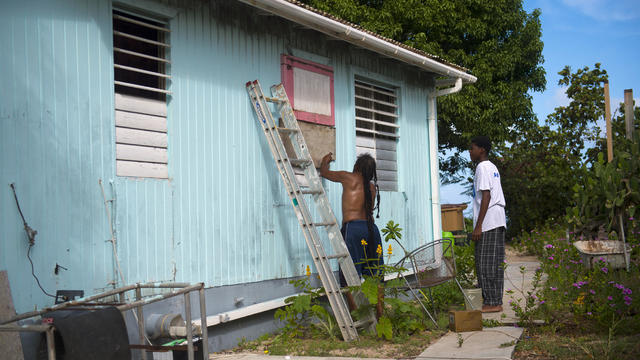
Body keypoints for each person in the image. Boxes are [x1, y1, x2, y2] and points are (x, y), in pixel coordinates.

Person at [319, 152, 384, 312]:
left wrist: (325, 161)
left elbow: (324, 173)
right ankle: (380, 311)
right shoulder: (372, 187)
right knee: (375, 273)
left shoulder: (348, 177)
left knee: (347, 272)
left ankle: (354, 311)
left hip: (353, 228)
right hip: (371, 230)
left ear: (357, 166)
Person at [469, 136, 506, 313]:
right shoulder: (492, 167)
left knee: (485, 263)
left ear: (481, 150)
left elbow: (486, 196)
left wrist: (478, 226)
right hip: (498, 219)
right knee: (495, 262)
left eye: (472, 148)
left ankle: (491, 302)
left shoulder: (482, 167)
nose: (470, 151)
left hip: (489, 220)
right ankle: (494, 300)